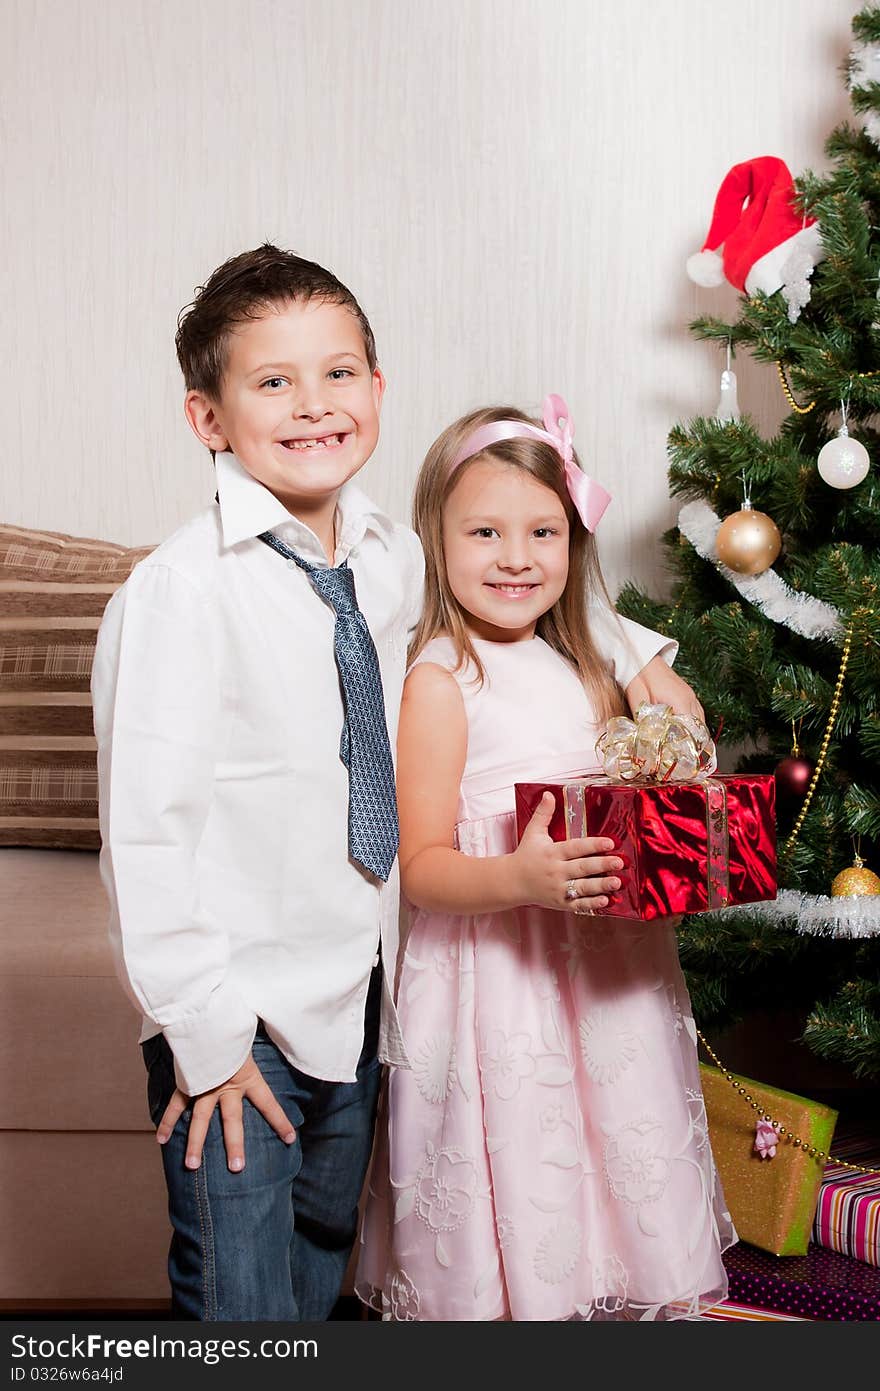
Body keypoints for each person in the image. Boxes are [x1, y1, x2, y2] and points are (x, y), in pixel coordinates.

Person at [91, 243, 704, 1322]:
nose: (312, 405)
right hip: (244, 1018)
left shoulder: (394, 553)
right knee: (243, 1298)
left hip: (364, 994)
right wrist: (204, 1039)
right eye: (272, 382)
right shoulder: (179, 592)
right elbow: (146, 832)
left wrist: (636, 650)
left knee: (325, 1270)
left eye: (337, 375)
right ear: (209, 418)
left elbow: (517, 582)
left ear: (376, 391)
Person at [356, 396, 735, 1322]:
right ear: (435, 541)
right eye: (484, 531)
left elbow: (687, 734)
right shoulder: (442, 679)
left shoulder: (587, 660)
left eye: (544, 531)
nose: (517, 557)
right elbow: (423, 864)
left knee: (615, 1162)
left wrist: (622, 640)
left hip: (607, 973)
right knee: (524, 1162)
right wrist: (520, 879)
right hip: (499, 984)